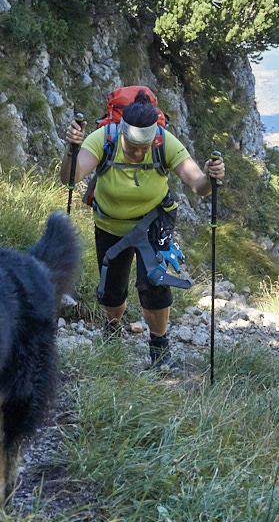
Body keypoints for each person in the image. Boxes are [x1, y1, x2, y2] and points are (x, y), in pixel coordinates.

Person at [60, 92, 224, 369]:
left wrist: (210, 176)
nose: (137, 153)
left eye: (143, 147)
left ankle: (159, 347)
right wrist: (71, 150)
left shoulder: (165, 142)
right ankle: (112, 328)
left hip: (154, 221)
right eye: (132, 146)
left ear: (154, 138)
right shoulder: (102, 139)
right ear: (121, 133)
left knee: (154, 284)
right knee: (112, 291)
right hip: (110, 224)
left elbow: (199, 186)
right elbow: (69, 178)